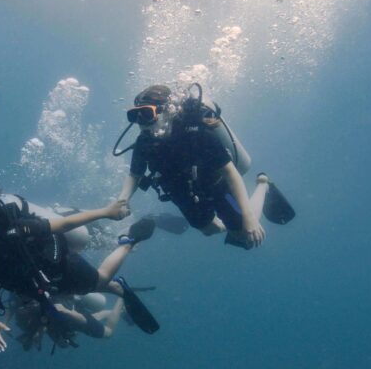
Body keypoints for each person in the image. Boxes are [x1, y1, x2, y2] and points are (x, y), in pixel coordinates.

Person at [0, 179, 159, 352]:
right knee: (98, 287)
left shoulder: (17, 230)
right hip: (37, 288)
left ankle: (128, 241)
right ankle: (116, 286)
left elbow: (63, 224)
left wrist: (106, 212)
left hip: (60, 267)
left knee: (101, 280)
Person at [114, 83, 294, 249]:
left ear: (166, 111)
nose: (141, 122)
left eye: (146, 114)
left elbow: (231, 174)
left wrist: (248, 218)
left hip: (216, 186)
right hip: (180, 193)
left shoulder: (197, 134)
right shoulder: (144, 142)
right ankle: (232, 224)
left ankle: (263, 185)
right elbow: (134, 175)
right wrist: (123, 199)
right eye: (134, 116)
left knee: (245, 236)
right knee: (209, 230)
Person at [10, 292, 127, 353]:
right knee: (93, 314)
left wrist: (68, 312)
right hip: (69, 305)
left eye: (34, 340)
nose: (36, 341)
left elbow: (82, 320)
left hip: (71, 313)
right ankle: (114, 311)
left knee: (109, 333)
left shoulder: (57, 319)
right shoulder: (31, 318)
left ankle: (122, 295)